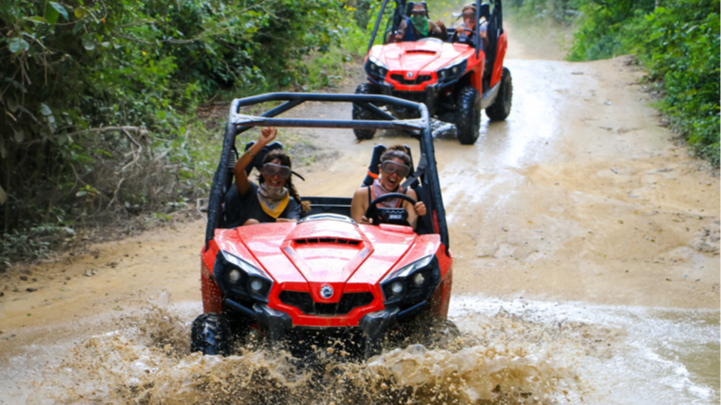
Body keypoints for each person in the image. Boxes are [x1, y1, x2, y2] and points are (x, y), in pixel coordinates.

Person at [226, 127, 304, 227]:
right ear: (263, 172)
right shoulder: (251, 193)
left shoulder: (289, 202)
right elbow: (238, 170)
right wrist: (260, 143)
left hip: (276, 241)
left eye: (282, 173)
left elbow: (294, 221)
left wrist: (289, 223)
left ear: (287, 176)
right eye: (270, 171)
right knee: (252, 223)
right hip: (247, 241)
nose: (275, 177)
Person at [350, 145, 427, 229]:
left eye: (400, 172)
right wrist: (365, 227)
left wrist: (419, 214)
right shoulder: (362, 195)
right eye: (390, 168)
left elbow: (412, 229)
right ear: (380, 169)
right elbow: (358, 233)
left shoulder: (409, 195)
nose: (394, 175)